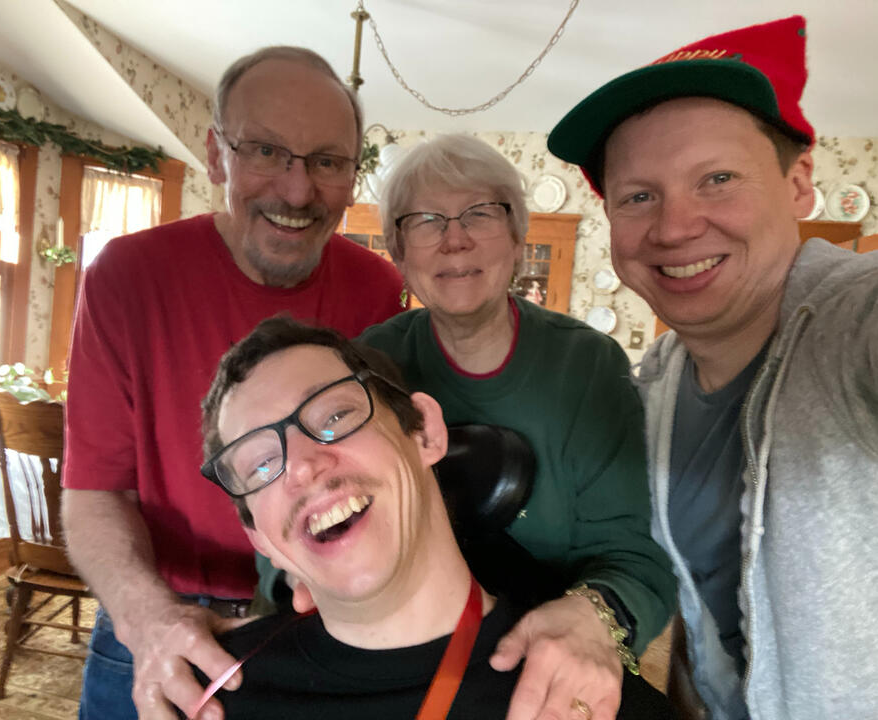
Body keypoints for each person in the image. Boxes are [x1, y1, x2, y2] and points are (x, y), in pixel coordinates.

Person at [257, 133, 676, 720]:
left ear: (517, 235)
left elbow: (636, 558)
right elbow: (294, 509)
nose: (455, 239)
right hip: (393, 668)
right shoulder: (361, 370)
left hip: (539, 670)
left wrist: (590, 618)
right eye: (426, 221)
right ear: (399, 251)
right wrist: (300, 579)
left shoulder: (588, 367)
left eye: (480, 213)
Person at [547, 14, 878, 720]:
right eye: (638, 196)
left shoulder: (854, 322)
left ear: (797, 184)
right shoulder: (658, 383)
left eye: (716, 179)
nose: (672, 227)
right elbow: (704, 621)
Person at [61, 46, 403, 720]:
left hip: (318, 628)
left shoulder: (379, 289)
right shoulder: (126, 276)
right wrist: (149, 618)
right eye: (267, 152)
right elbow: (95, 491)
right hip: (154, 621)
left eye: (327, 162)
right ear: (217, 156)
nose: (297, 191)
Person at [193, 315, 675, 720]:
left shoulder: (588, 702)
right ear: (258, 536)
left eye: (335, 416)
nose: (300, 466)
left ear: (424, 433)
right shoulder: (203, 697)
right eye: (259, 464)